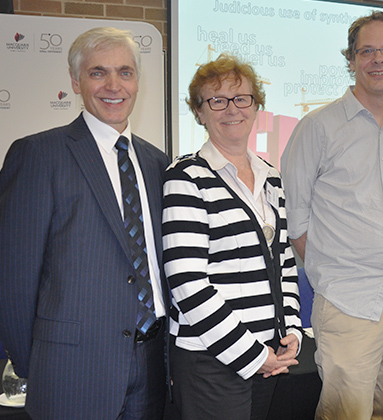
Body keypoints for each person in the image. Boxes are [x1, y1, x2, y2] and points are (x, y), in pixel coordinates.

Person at [0, 27, 169, 419]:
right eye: (98, 73)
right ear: (75, 82)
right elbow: (13, 277)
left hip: (153, 369)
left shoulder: (158, 163)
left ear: (138, 82)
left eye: (125, 72)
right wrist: (36, 365)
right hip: (71, 372)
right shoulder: (38, 155)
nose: (114, 85)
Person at [281, 10, 383, 420]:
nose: (378, 59)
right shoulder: (317, 127)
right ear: (350, 59)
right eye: (367, 51)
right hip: (349, 301)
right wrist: (333, 272)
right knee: (344, 413)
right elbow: (296, 219)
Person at [162, 53, 302, 420]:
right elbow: (187, 283)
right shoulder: (186, 177)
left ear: (256, 107)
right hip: (211, 362)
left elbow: (284, 264)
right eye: (217, 100)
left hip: (270, 355)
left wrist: (290, 334)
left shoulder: (271, 176)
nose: (232, 109)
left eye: (242, 99)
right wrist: (252, 355)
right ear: (199, 111)